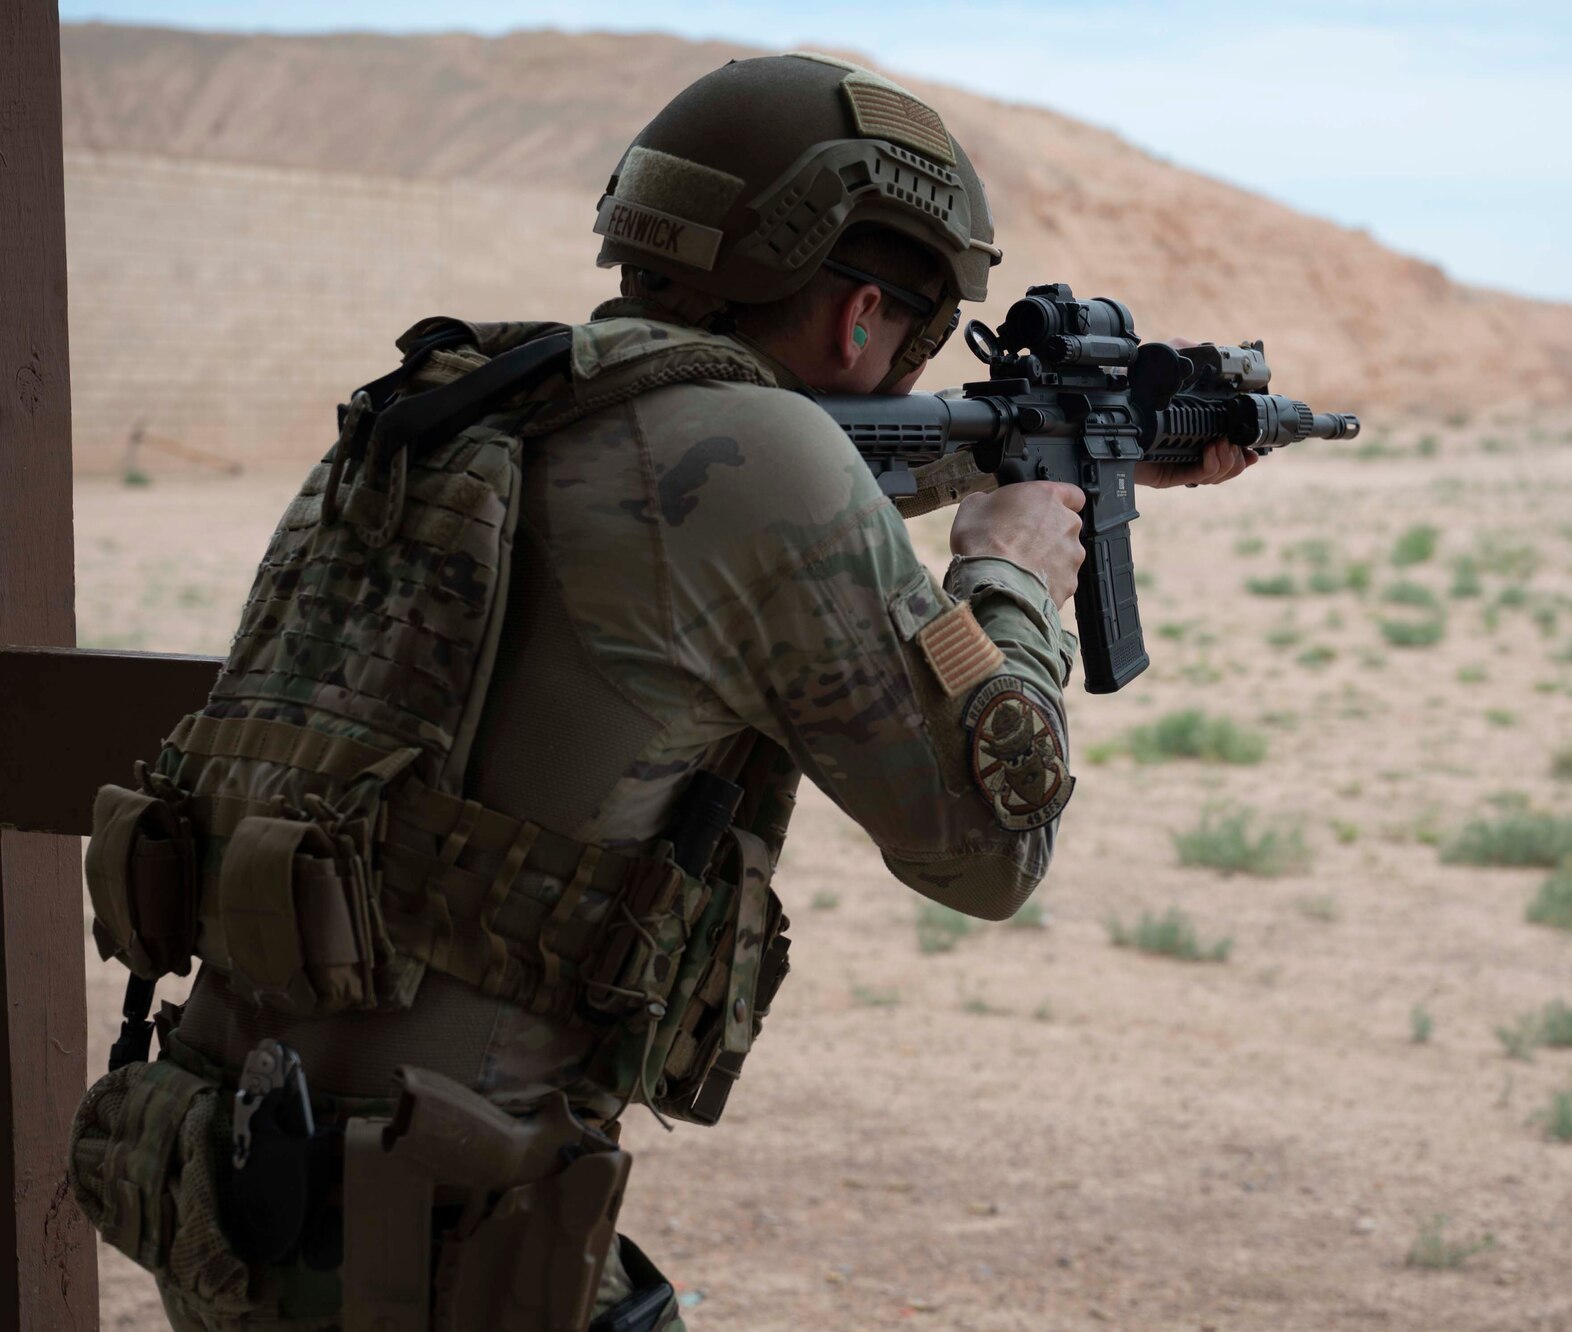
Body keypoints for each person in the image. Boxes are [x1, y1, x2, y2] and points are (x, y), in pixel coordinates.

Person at [68, 51, 1254, 1332]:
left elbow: (721, 516)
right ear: (860, 319)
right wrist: (1008, 573)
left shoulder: (464, 412)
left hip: (230, 1173)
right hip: (434, 1224)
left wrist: (1018, 461)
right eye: (913, 340)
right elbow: (992, 849)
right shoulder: (760, 462)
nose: (907, 371)